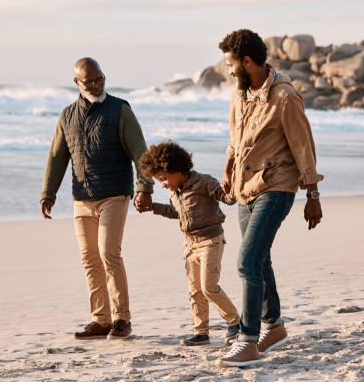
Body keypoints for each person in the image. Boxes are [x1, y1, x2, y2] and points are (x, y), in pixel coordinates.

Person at [215, 30, 324, 367]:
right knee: (260, 260)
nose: (230, 71)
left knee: (246, 261)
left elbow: (303, 147)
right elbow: (235, 140)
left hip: (277, 187)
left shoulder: (285, 97)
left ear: (247, 61)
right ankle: (273, 326)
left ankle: (248, 340)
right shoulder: (240, 94)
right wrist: (228, 175)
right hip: (246, 188)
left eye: (232, 64)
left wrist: (313, 193)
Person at [40, 57, 153, 340]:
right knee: (89, 258)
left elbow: (140, 152)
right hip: (82, 198)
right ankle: (101, 319)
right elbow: (57, 157)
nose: (95, 84)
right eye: (89, 81)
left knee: (108, 253)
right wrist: (48, 193)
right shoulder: (67, 116)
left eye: (99, 78)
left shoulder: (120, 110)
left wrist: (145, 187)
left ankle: (122, 319)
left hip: (114, 193)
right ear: (77, 83)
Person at [138, 141, 240, 346]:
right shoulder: (175, 191)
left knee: (209, 287)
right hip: (190, 245)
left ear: (176, 170)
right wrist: (152, 207)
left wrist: (232, 176)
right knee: (195, 291)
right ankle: (201, 332)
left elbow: (228, 198)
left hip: (211, 241)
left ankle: (235, 322)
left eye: (163, 179)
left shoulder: (204, 182)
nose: (163, 184)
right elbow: (175, 213)